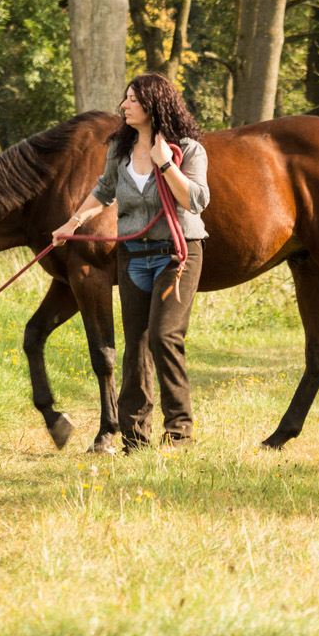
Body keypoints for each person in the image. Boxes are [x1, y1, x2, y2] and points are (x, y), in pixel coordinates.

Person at [52, 74, 210, 450]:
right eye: (126, 99)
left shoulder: (187, 149)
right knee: (135, 346)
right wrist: (73, 223)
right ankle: (135, 438)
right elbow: (104, 190)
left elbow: (196, 201)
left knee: (164, 336)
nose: (124, 105)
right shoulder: (120, 150)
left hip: (177, 254)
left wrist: (165, 165)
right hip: (134, 256)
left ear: (154, 105)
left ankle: (179, 433)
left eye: (133, 100)